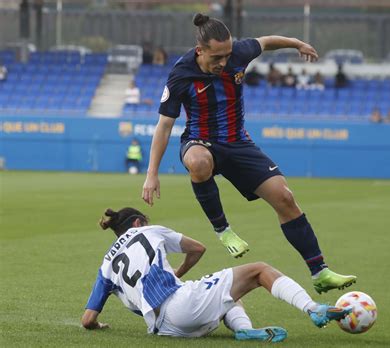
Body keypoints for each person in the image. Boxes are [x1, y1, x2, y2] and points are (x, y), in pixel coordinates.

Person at [141, 13, 357, 294]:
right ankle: (223, 230)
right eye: (216, 57)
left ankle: (320, 272)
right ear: (200, 51)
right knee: (198, 162)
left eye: (227, 55)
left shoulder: (238, 53)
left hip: (239, 143)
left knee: (285, 198)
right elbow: (164, 125)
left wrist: (297, 43)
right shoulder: (180, 74)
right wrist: (151, 174)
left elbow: (266, 42)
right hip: (200, 140)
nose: (223, 62)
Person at [81, 207, 351, 342]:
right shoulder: (148, 231)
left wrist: (97, 326)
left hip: (166, 330)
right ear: (138, 223)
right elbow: (198, 249)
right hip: (181, 305)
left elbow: (88, 319)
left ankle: (245, 332)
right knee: (259, 270)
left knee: (228, 294)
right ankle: (312, 308)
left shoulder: (106, 265)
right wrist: (178, 272)